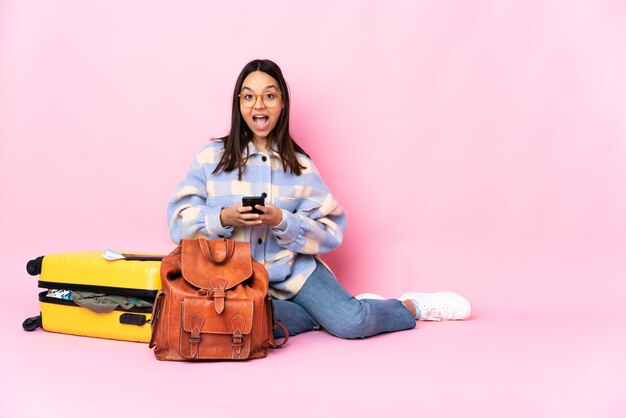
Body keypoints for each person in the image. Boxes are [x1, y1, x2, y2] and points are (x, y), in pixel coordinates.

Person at [167, 59, 471, 339]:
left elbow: (332, 230)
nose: (258, 104)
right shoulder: (211, 158)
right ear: (239, 103)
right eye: (249, 96)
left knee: (352, 324)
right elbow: (177, 221)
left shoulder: (299, 166)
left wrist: (283, 222)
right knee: (243, 326)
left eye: (269, 95)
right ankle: (329, 312)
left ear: (282, 103)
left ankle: (410, 306)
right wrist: (223, 218)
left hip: (294, 274)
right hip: (236, 284)